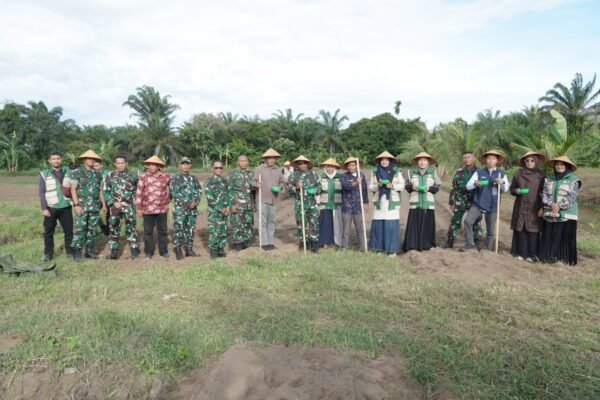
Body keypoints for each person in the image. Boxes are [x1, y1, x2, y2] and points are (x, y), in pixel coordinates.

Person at [463, 150, 509, 251]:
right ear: (485, 160)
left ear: (497, 161)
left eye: (493, 159)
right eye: (488, 158)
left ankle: (487, 248)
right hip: (478, 203)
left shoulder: (501, 174)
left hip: (493, 204)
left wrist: (502, 183)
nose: (490, 161)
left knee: (490, 229)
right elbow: (468, 186)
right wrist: (475, 184)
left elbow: (506, 189)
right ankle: (470, 244)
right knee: (467, 221)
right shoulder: (479, 172)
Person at [539, 156, 581, 266]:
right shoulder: (548, 179)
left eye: (562, 164)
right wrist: (551, 205)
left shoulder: (574, 180)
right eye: (557, 164)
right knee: (549, 234)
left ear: (567, 166)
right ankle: (547, 257)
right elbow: (544, 195)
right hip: (550, 212)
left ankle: (562, 258)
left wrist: (558, 206)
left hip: (567, 214)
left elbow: (571, 197)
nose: (559, 166)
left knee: (562, 236)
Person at [70, 150, 107, 260]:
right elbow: (73, 189)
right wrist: (76, 205)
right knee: (80, 229)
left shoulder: (98, 174)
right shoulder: (77, 172)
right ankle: (77, 252)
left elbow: (100, 190)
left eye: (93, 159)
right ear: (84, 160)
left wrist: (104, 205)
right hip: (82, 206)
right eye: (89, 158)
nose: (91, 160)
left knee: (92, 230)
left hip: (94, 206)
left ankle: (89, 252)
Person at [509, 151, 546, 262]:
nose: (529, 162)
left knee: (533, 230)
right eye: (527, 160)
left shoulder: (541, 175)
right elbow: (512, 188)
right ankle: (521, 253)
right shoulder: (518, 173)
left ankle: (532, 255)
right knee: (520, 228)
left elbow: (545, 192)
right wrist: (516, 190)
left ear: (536, 161)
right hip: (521, 205)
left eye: (532, 160)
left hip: (535, 206)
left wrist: (542, 207)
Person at [440, 151, 481, 249]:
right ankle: (450, 241)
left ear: (474, 158)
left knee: (475, 221)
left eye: (469, 157)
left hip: (474, 201)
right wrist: (451, 201)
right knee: (455, 221)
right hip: (460, 200)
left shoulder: (479, 172)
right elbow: (453, 187)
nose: (467, 159)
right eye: (465, 158)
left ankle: (474, 241)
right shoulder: (458, 172)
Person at [38, 150, 74, 261]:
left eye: (58, 158)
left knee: (69, 231)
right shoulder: (44, 173)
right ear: (49, 161)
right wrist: (44, 208)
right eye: (53, 159)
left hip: (66, 206)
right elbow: (41, 192)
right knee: (48, 232)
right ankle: (48, 254)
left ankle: (70, 253)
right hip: (51, 207)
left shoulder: (69, 171)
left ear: (61, 159)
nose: (56, 161)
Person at [402, 152, 441, 252]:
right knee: (414, 225)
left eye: (424, 160)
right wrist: (412, 187)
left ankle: (427, 245)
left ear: (428, 162)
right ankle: (412, 245)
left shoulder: (433, 172)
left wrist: (429, 188)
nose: (422, 162)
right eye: (420, 160)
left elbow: (437, 186)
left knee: (428, 225)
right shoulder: (411, 172)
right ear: (417, 162)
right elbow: (406, 186)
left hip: (428, 203)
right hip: (416, 203)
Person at [368, 151, 405, 256]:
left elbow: (402, 185)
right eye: (382, 160)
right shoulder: (375, 171)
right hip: (380, 201)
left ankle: (391, 250)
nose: (384, 162)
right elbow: (370, 187)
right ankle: (379, 249)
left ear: (390, 161)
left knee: (391, 225)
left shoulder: (396, 171)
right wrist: (377, 186)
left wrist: (392, 186)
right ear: (379, 161)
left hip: (392, 201)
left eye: (386, 160)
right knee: (379, 225)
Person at [104, 154, 139, 260]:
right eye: (118, 163)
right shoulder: (110, 175)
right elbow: (106, 191)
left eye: (122, 163)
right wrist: (113, 202)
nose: (120, 165)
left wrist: (133, 201)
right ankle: (114, 252)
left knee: (131, 227)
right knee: (114, 228)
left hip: (129, 206)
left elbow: (138, 190)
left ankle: (134, 250)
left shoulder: (134, 175)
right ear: (115, 164)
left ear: (126, 163)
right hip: (115, 207)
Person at [135, 155, 171, 259]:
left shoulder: (166, 176)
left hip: (162, 209)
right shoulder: (143, 176)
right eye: (149, 165)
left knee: (163, 231)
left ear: (159, 166)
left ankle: (163, 252)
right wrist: (139, 208)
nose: (151, 167)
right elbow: (139, 193)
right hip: (147, 209)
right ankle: (148, 252)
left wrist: (167, 200)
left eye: (153, 165)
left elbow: (172, 190)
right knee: (148, 232)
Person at [253, 148, 286, 251]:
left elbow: (282, 182)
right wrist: (256, 184)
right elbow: (253, 182)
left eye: (273, 158)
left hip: (274, 199)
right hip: (262, 199)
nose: (272, 160)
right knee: (262, 221)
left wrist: (280, 187)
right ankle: (264, 243)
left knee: (271, 221)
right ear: (265, 159)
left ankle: (270, 242)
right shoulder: (259, 169)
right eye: (270, 158)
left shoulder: (279, 170)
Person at [170, 157, 202, 260]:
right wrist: (188, 203)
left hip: (192, 209)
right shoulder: (175, 178)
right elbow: (174, 193)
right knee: (179, 229)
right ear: (180, 165)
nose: (185, 166)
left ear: (190, 165)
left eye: (187, 163)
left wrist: (195, 202)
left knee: (190, 229)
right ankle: (178, 249)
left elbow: (199, 191)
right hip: (180, 209)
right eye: (183, 163)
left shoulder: (193, 178)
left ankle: (189, 249)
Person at [287, 155, 321, 252]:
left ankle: (314, 244)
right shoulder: (294, 175)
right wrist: (296, 187)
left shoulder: (313, 174)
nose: (302, 165)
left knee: (314, 223)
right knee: (301, 224)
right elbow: (288, 188)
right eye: (300, 163)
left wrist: (315, 190)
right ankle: (303, 243)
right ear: (297, 165)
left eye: (304, 163)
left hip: (312, 203)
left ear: (307, 164)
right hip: (300, 203)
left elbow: (319, 186)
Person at [340, 157, 369, 252]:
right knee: (346, 230)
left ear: (357, 166)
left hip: (358, 207)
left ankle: (363, 248)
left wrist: (366, 202)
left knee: (360, 229)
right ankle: (344, 248)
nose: (351, 167)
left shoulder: (361, 175)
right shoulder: (344, 176)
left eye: (353, 165)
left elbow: (364, 190)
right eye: (349, 165)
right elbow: (346, 186)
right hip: (347, 207)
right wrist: (356, 182)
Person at [228, 155, 255, 251]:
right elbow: (229, 190)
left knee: (248, 224)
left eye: (245, 161)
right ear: (238, 162)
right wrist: (231, 204)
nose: (243, 163)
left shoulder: (251, 174)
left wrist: (254, 204)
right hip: (237, 204)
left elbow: (253, 191)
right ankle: (237, 244)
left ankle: (246, 242)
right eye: (241, 161)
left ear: (248, 162)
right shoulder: (233, 174)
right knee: (237, 225)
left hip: (248, 204)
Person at [205, 161, 230, 259]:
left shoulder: (225, 181)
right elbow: (210, 198)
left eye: (220, 167)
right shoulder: (209, 182)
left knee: (223, 230)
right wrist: (220, 208)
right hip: (214, 212)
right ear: (212, 169)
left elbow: (228, 194)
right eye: (216, 168)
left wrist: (228, 207)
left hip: (225, 211)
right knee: (214, 231)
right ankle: (214, 250)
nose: (218, 169)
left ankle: (221, 248)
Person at [317, 158, 343, 249]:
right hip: (324, 204)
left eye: (332, 166)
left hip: (337, 205)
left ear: (335, 167)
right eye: (328, 166)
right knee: (325, 224)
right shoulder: (321, 177)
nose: (330, 168)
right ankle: (325, 242)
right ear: (325, 167)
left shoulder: (340, 177)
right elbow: (317, 192)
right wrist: (317, 205)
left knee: (337, 225)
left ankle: (337, 242)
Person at [94, 158, 111, 237]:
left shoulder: (108, 173)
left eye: (97, 166)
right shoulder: (92, 174)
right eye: (94, 166)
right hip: (97, 197)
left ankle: (108, 230)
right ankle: (102, 226)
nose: (95, 167)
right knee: (94, 214)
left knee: (109, 215)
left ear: (101, 165)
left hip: (107, 196)